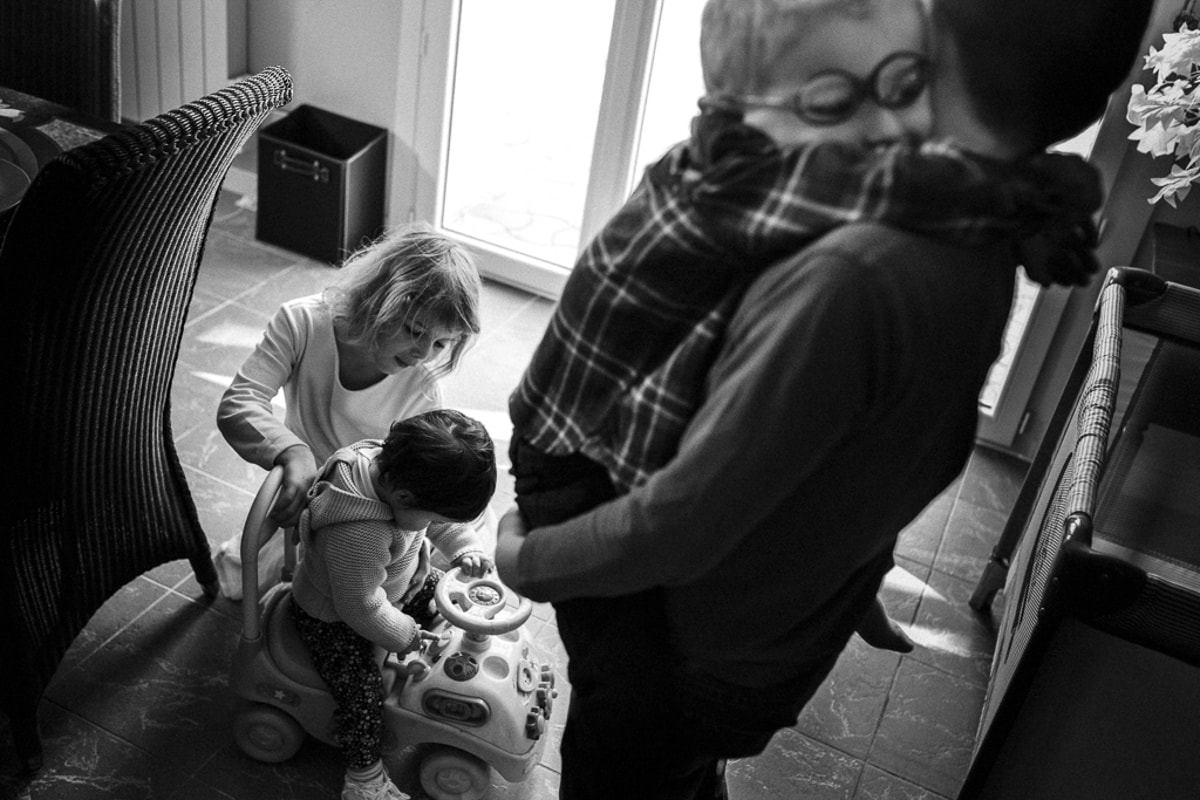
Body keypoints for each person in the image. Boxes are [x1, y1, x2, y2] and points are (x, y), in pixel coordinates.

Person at [496, 0, 1153, 797]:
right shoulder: (958, 238)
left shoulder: (858, 271)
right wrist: (837, 574)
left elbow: (691, 518)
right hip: (699, 569)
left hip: (694, 634)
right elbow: (859, 447)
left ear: (923, 62)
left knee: (631, 772)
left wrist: (531, 563)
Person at [215, 222, 484, 600]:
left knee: (447, 533)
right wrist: (293, 451)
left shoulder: (422, 386)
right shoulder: (303, 323)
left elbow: (419, 474)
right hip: (305, 479)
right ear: (376, 299)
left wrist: (413, 536)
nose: (423, 354)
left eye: (440, 343)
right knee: (239, 583)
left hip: (377, 496)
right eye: (413, 330)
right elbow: (239, 401)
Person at [290, 409, 496, 800]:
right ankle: (363, 778)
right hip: (334, 619)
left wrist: (464, 546)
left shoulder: (397, 470)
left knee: (446, 595)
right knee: (363, 696)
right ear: (402, 497)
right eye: (433, 514)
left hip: (395, 587)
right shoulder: (358, 532)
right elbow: (361, 608)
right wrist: (406, 637)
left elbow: (436, 521)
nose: (434, 521)